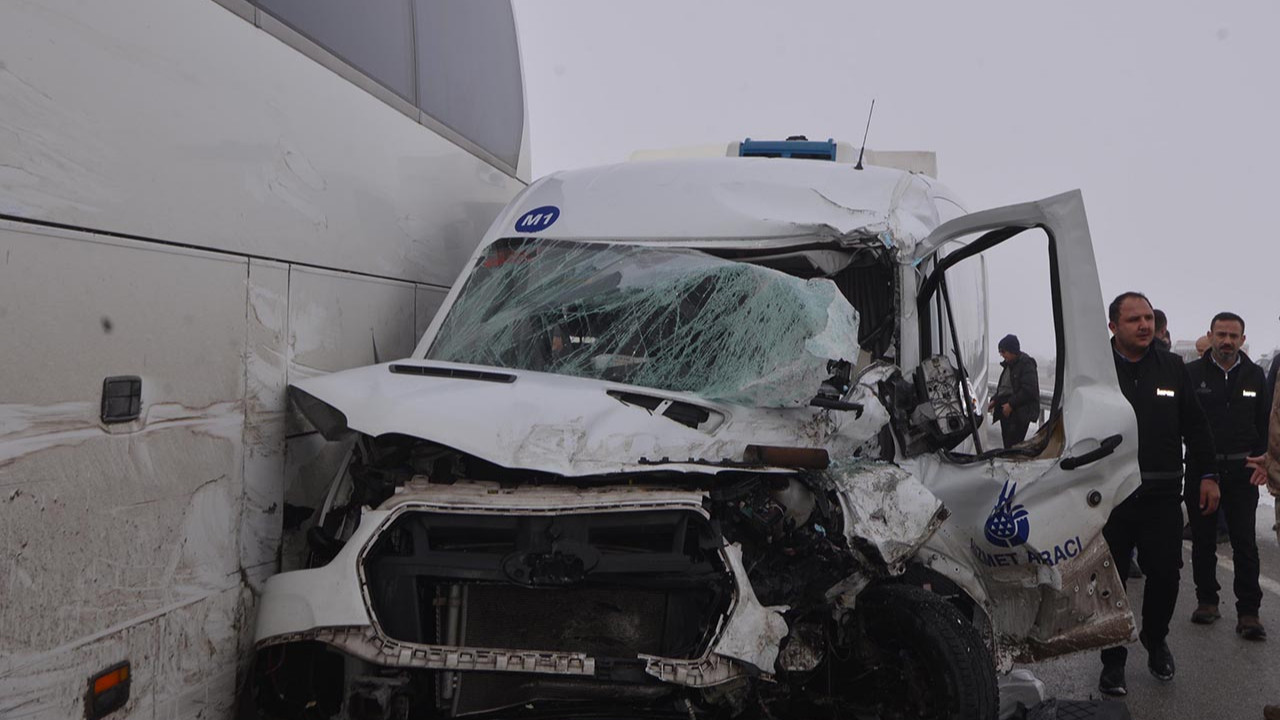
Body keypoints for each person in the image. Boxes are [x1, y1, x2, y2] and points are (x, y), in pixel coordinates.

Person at [1097, 292, 1219, 697]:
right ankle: (1113, 660)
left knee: (1165, 574)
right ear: (1113, 326)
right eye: (1134, 319)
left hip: (1162, 495)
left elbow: (1196, 427)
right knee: (1109, 583)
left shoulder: (1172, 367)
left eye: (1148, 317)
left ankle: (1155, 638)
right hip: (1110, 498)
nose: (1145, 325)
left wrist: (1209, 475)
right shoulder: (1095, 368)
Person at [1183, 312, 1269, 639]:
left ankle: (1249, 612)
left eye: (1234, 336)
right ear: (1210, 335)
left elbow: (1264, 422)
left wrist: (1264, 460)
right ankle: (1207, 601)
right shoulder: (1191, 374)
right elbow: (1183, 423)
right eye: (1221, 334)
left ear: (1243, 340)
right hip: (1201, 471)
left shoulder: (1254, 375)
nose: (1227, 341)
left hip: (1242, 472)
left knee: (1244, 543)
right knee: (1203, 541)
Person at [987, 334, 1039, 449]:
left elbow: (1029, 390)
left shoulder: (1026, 364)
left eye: (1003, 351)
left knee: (1013, 448)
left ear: (1012, 350)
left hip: (1019, 415)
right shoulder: (1009, 365)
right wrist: (995, 400)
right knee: (1008, 446)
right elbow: (1004, 388)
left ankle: (1013, 466)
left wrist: (1011, 404)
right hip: (1006, 414)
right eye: (1000, 351)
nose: (1001, 354)